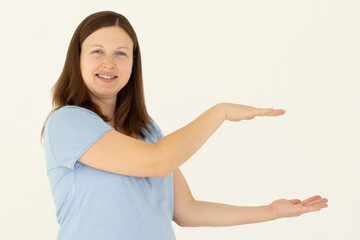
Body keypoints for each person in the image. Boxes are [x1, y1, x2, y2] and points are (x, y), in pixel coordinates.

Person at [40, 10, 328, 240]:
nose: (109, 63)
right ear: (76, 59)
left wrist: (270, 211)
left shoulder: (147, 130)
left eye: (121, 53)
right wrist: (220, 112)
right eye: (97, 51)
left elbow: (187, 211)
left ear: (132, 63)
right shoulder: (68, 123)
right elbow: (158, 162)